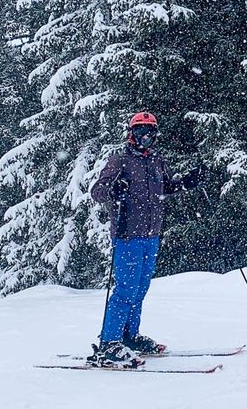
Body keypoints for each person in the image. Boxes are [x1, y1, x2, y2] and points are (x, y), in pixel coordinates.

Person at [88, 111, 207, 368]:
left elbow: (166, 187)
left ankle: (130, 337)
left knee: (140, 289)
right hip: (127, 235)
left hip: (151, 235)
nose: (146, 136)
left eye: (150, 132)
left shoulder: (156, 161)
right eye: (141, 131)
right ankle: (109, 344)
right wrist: (113, 191)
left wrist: (187, 182)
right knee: (125, 290)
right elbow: (97, 191)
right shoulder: (120, 160)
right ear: (132, 134)